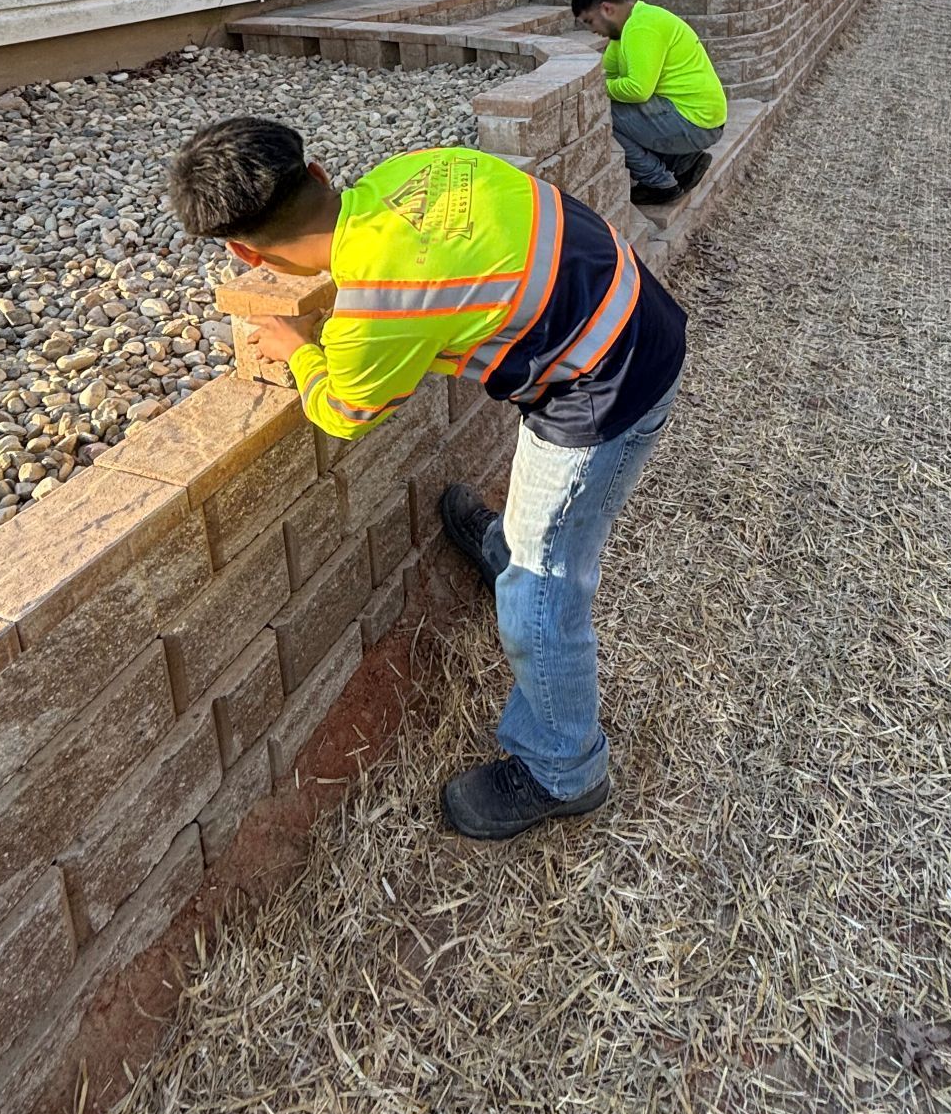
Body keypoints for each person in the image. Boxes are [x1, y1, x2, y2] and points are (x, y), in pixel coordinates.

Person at [167, 118, 685, 842]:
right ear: (318, 174)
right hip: (629, 314)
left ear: (244, 251)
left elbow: (345, 411)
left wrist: (298, 352)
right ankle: (512, 547)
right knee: (536, 535)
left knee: (544, 586)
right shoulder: (421, 171)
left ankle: (566, 770)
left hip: (606, 390)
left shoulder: (374, 307)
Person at [570, 0, 728, 206]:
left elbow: (637, 90)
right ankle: (684, 162)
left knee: (604, 115)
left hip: (695, 121)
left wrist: (597, 90)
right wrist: (593, 84)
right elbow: (607, 74)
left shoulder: (641, 29)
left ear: (606, 9)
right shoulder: (627, 28)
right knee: (611, 104)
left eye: (589, 21)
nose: (591, 31)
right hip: (700, 116)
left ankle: (659, 183)